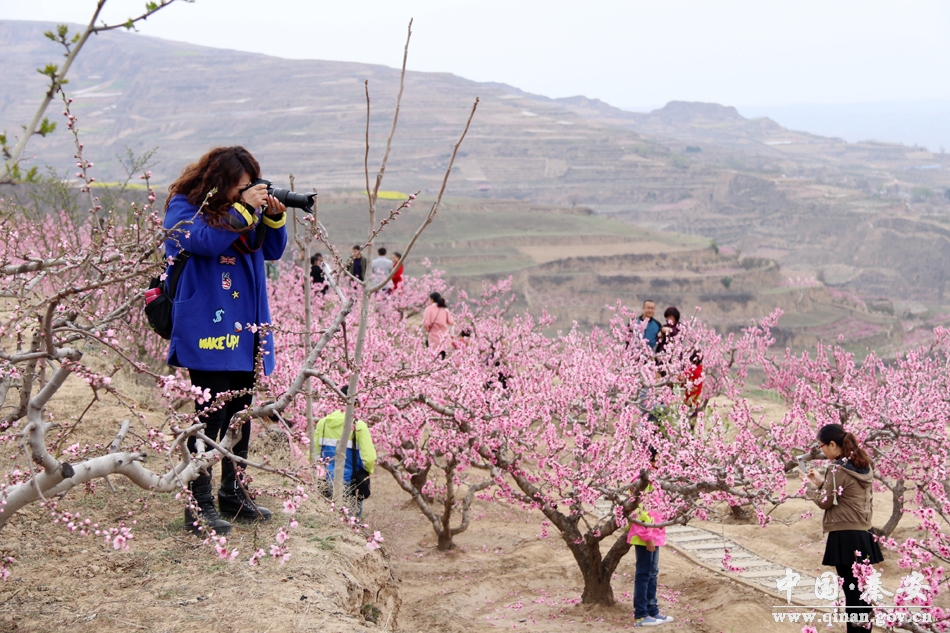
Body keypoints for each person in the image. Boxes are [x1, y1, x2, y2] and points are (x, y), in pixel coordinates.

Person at [163, 146, 287, 535]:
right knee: (209, 416)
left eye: (252, 185)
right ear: (220, 182)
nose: (248, 191)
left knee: (240, 415)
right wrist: (246, 211)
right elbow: (203, 242)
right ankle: (198, 507)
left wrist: (274, 217)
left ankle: (233, 495)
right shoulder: (184, 207)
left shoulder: (242, 212)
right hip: (208, 328)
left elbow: (271, 250)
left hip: (246, 327)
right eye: (242, 185)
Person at [805, 424, 882, 633]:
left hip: (845, 536)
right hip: (864, 533)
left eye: (822, 446)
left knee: (851, 590)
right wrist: (822, 483)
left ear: (832, 444)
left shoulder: (837, 468)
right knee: (862, 590)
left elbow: (825, 502)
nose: (821, 450)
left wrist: (809, 490)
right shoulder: (864, 465)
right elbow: (844, 494)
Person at [628, 447, 675, 627]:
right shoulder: (641, 482)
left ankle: (652, 610)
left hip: (655, 533)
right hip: (645, 536)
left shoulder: (654, 480)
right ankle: (641, 615)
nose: (660, 463)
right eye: (657, 459)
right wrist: (647, 536)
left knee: (652, 573)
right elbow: (638, 511)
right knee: (644, 573)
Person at [314, 392, 377, 518]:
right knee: (351, 523)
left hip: (327, 480)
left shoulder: (323, 423)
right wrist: (366, 472)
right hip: (352, 481)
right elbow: (369, 458)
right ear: (356, 404)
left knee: (328, 518)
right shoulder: (358, 426)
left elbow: (314, 453)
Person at [423, 292, 454, 358]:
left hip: (433, 337)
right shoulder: (445, 309)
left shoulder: (429, 309)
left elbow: (426, 324)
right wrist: (452, 335)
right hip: (444, 339)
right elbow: (451, 323)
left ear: (432, 299)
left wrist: (429, 330)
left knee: (433, 357)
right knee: (442, 358)